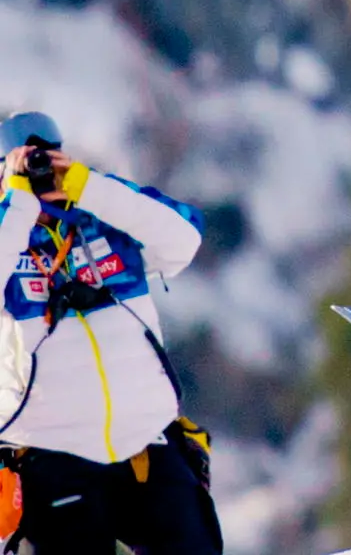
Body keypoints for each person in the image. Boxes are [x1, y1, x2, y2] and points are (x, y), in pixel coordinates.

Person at [0, 112, 222, 554]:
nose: (40, 167)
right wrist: (17, 202)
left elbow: (184, 239)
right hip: (50, 455)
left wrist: (86, 185)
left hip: (145, 443)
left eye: (49, 153)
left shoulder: (105, 216)